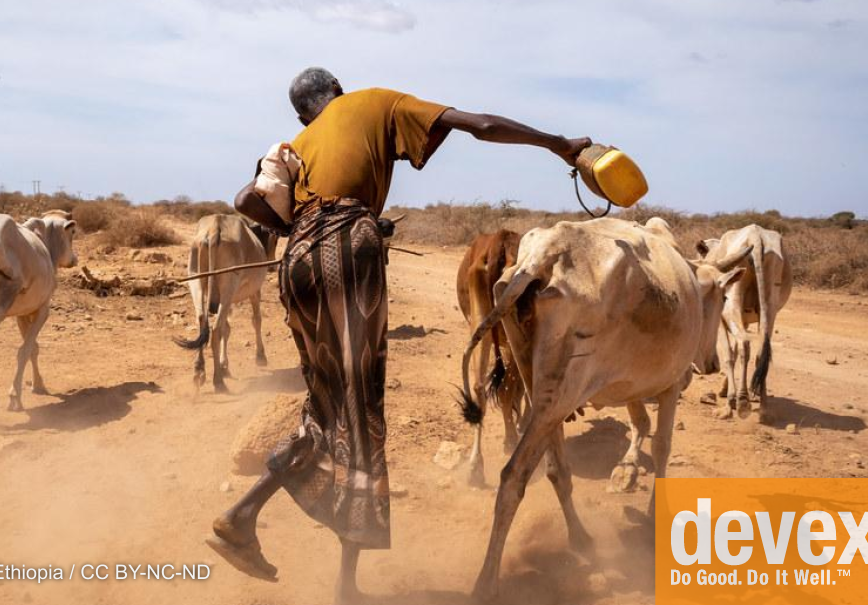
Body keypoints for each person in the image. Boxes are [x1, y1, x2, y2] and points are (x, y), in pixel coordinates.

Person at [209, 66, 591, 604]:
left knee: (330, 408)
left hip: (297, 259)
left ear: (303, 113)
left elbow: (246, 200)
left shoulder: (297, 144)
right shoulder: (376, 102)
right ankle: (273, 538)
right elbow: (478, 124)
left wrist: (299, 227)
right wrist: (558, 144)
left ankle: (247, 520)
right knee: (360, 417)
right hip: (349, 247)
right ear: (337, 92)